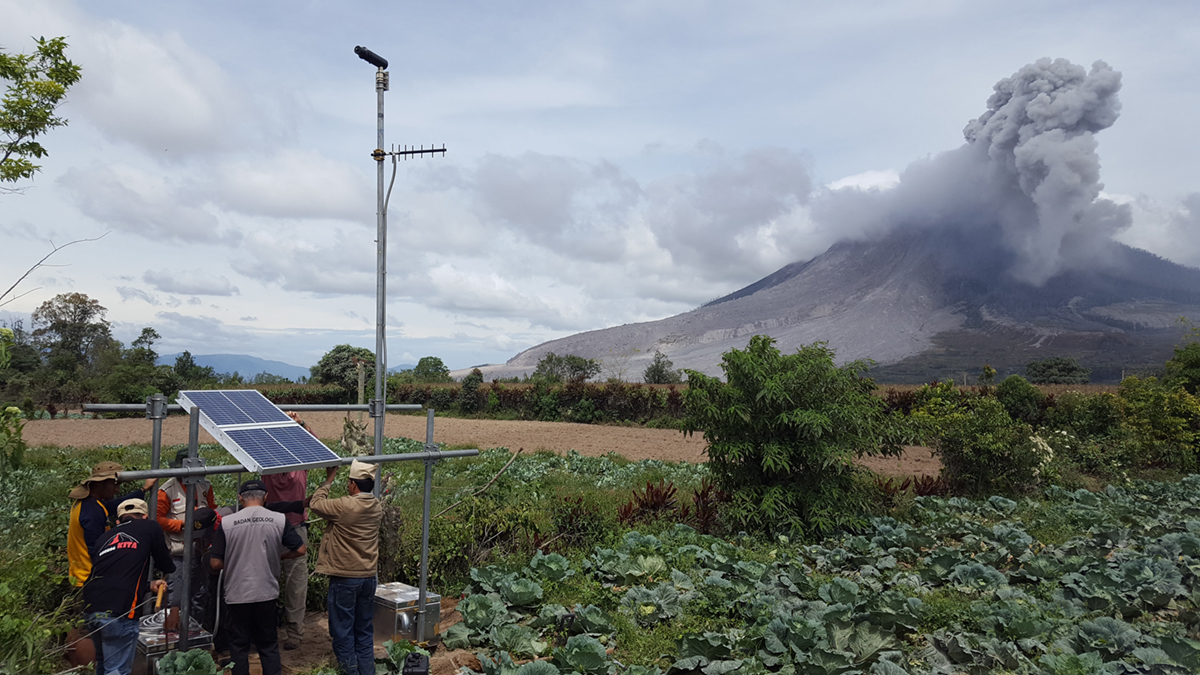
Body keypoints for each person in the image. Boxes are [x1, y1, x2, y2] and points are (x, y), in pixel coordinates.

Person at [210, 479, 306, 675]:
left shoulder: (227, 523)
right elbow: (301, 549)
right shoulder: (279, 520)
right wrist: (280, 556)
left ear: (240, 498)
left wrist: (236, 562)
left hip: (237, 593)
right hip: (266, 592)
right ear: (266, 497)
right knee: (268, 645)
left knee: (238, 646)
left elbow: (215, 563)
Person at [82, 498, 175, 675]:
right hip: (120, 611)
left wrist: (149, 586)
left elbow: (116, 575)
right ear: (145, 516)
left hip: (91, 607)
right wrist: (169, 568)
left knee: (103, 665)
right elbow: (166, 565)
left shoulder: (104, 537)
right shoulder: (150, 527)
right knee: (117, 670)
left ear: (118, 520)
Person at [309, 460, 384, 675]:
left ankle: (349, 672)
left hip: (345, 578)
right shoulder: (376, 505)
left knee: (342, 631)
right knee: (363, 630)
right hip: (368, 576)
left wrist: (328, 479)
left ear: (353, 484)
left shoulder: (345, 506)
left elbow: (316, 504)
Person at [262, 411, 312, 649]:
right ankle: (267, 628)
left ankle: (294, 632)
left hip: (294, 527)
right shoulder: (266, 459)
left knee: (296, 584)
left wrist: (301, 424)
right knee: (265, 581)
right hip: (268, 528)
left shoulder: (301, 460)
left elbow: (316, 446)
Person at [156, 447, 219, 626]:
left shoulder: (205, 485)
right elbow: (158, 520)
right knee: (176, 592)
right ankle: (172, 633)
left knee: (199, 592)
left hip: (201, 549)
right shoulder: (166, 490)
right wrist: (183, 524)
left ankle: (194, 630)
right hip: (178, 550)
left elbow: (213, 509)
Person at [68, 461, 157, 587]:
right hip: (90, 580)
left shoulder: (88, 504)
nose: (117, 490)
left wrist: (143, 490)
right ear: (99, 484)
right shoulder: (93, 512)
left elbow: (113, 506)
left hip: (81, 576)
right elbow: (96, 548)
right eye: (113, 485)